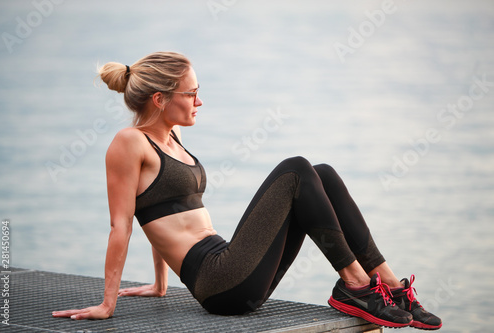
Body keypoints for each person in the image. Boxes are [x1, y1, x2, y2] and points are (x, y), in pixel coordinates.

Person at [52, 51, 442, 330]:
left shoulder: (172, 140)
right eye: (191, 93)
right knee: (296, 170)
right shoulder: (129, 142)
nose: (199, 101)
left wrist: (160, 284)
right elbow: (122, 224)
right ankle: (356, 285)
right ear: (159, 99)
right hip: (219, 282)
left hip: (234, 273)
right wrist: (108, 303)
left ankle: (388, 284)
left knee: (321, 173)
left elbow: (158, 208)